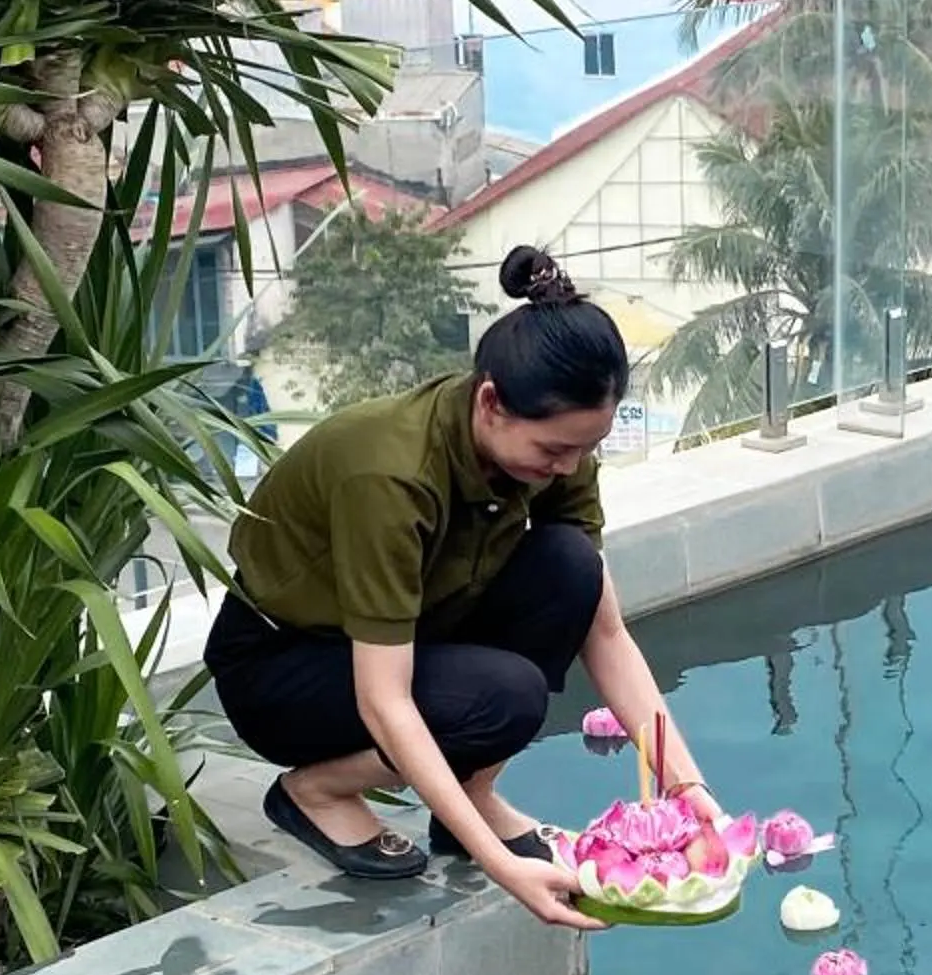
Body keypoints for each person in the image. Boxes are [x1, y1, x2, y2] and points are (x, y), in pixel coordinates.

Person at [206, 245, 719, 926]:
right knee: (503, 699)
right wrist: (503, 867)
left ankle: (470, 798)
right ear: (489, 404)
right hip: (285, 667)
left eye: (583, 451)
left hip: (408, 635)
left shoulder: (554, 453)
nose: (567, 468)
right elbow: (384, 699)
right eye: (552, 450)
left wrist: (688, 786)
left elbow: (602, 628)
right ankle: (318, 789)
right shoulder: (390, 475)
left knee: (571, 565)